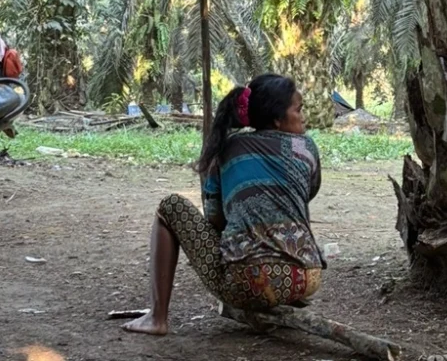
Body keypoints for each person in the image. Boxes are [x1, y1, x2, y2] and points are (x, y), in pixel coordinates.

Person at [123, 74, 326, 336]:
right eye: (299, 110)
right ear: (277, 118)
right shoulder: (307, 147)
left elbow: (215, 219)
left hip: (246, 283)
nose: (303, 117)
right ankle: (281, 294)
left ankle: (157, 317)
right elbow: (307, 193)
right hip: (306, 277)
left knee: (170, 206)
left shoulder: (226, 149)